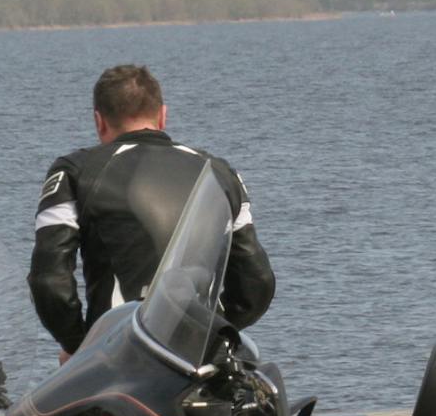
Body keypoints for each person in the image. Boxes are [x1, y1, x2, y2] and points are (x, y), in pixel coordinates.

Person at [30, 64, 274, 357]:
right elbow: (256, 283)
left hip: (116, 358)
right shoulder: (221, 173)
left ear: (99, 121)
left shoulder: (75, 172)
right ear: (162, 116)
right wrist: (211, 332)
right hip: (197, 361)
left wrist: (78, 347)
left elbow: (50, 281)